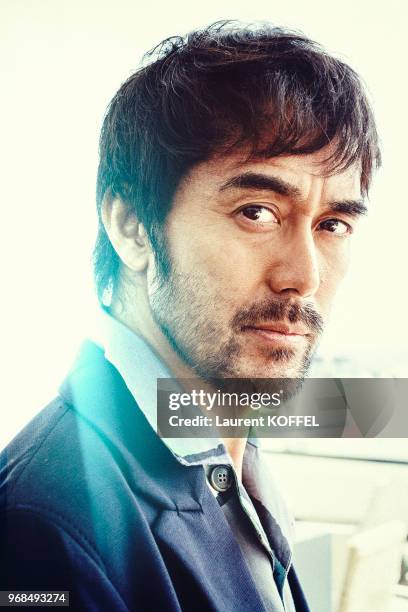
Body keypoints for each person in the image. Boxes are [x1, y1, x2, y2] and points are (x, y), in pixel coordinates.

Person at [0, 21, 380, 612]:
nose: (304, 275)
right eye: (257, 211)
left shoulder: (231, 449)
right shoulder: (46, 527)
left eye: (332, 225)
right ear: (131, 228)